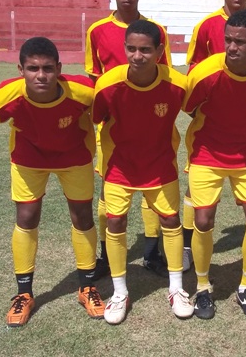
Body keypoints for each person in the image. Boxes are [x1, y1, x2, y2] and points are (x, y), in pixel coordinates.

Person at [0, 37, 105, 327]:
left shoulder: (82, 92)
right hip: (29, 160)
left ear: (59, 69)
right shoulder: (4, 98)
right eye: (33, 68)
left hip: (74, 158)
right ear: (21, 69)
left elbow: (103, 111)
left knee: (82, 217)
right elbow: (3, 117)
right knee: (26, 217)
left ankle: (87, 286)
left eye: (48, 68)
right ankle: (24, 294)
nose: (41, 75)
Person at [184, 10, 246, 319]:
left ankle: (245, 287)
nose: (231, 47)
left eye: (240, 42)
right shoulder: (204, 74)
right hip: (207, 154)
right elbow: (189, 109)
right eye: (227, 40)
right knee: (203, 220)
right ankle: (202, 288)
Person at [93, 20, 192, 324]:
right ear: (124, 49)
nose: (138, 56)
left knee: (170, 219)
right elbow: (97, 121)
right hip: (120, 165)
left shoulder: (177, 84)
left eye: (145, 50)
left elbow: (199, 111)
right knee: (116, 220)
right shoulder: (107, 86)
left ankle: (176, 288)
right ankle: (119, 292)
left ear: (160, 51)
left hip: (159, 163)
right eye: (131, 49)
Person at [182, 0, 246, 274]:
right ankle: (185, 245)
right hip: (209, 134)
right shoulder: (207, 26)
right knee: (196, 197)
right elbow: (194, 76)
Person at [86, 0, 172, 280]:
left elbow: (163, 78)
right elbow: (94, 80)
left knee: (152, 190)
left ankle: (151, 253)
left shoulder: (155, 31)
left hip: (150, 125)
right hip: (111, 127)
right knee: (109, 190)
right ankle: (107, 256)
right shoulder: (97, 32)